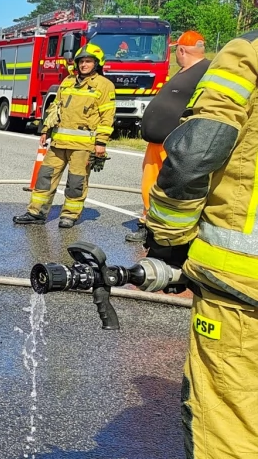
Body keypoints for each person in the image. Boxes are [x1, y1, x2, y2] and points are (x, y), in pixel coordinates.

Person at [143, 31, 258, 457]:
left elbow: (197, 151)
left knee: (230, 431)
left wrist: (169, 242)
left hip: (243, 294)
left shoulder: (248, 55)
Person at [14, 43, 116, 228]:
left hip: (83, 145)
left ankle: (70, 215)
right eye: (81, 61)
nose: (84, 65)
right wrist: (46, 130)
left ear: (97, 63)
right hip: (58, 142)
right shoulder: (67, 81)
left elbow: (107, 117)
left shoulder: (104, 85)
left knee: (76, 182)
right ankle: (35, 213)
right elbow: (55, 108)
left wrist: (101, 143)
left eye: (88, 61)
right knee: (45, 177)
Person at [125, 30, 209, 244]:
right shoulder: (184, 71)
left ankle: (163, 231)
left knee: (169, 186)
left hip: (174, 144)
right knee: (150, 183)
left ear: (181, 50)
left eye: (176, 51)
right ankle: (148, 222)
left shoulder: (206, 71)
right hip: (158, 142)